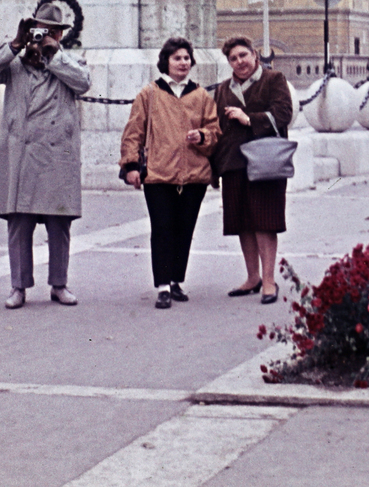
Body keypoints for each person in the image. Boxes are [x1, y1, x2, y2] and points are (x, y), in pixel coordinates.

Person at [0, 1, 92, 310]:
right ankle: (18, 286)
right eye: (39, 30)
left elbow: (83, 83)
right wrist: (15, 44)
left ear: (60, 34)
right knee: (19, 223)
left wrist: (54, 53)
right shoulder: (14, 63)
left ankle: (59, 284)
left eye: (51, 31)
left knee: (59, 224)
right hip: (22, 155)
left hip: (56, 154)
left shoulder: (71, 61)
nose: (43, 36)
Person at [119, 37, 219, 309]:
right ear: (166, 62)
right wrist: (130, 165)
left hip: (194, 175)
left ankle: (177, 280)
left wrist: (202, 136)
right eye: (177, 58)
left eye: (187, 58)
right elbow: (134, 131)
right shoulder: (149, 94)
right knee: (162, 229)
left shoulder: (200, 95)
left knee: (184, 229)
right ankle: (162, 285)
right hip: (159, 174)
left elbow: (214, 131)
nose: (183, 63)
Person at [210, 36, 294, 305]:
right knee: (242, 221)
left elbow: (283, 113)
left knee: (265, 221)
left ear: (255, 55)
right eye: (233, 58)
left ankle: (269, 281)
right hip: (234, 164)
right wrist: (215, 166)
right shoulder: (223, 89)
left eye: (243, 55)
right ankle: (252, 277)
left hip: (265, 162)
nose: (239, 62)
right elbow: (217, 128)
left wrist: (250, 119)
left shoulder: (273, 80)